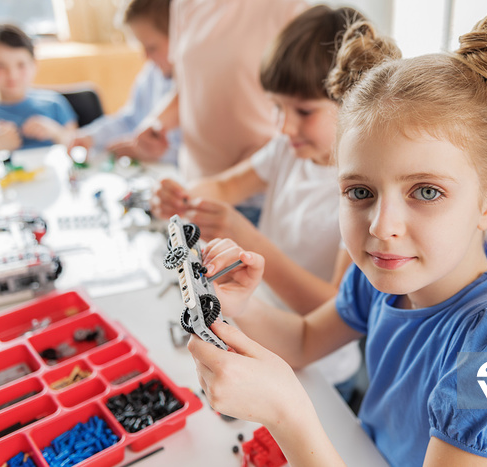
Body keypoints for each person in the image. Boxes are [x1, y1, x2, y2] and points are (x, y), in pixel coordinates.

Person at [188, 6, 487, 467]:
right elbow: (304, 340)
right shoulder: (385, 269)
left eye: (426, 191)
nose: (381, 227)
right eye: (359, 191)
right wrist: (237, 306)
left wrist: (287, 414)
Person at [153, 5, 363, 397]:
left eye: (303, 110)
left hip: (322, 371)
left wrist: (246, 236)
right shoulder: (286, 148)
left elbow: (336, 307)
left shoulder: (362, 191)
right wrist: (178, 194)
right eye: (277, 107)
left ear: (356, 100)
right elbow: (224, 187)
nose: (284, 126)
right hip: (261, 337)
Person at [136, 0, 305, 222]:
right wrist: (157, 123)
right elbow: (188, 86)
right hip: (196, 189)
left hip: (255, 194)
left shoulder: (288, 7)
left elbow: (304, 101)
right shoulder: (184, 4)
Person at [69, 0, 181, 164]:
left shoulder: (202, 86)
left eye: (151, 47)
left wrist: (150, 153)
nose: (145, 57)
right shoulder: (152, 74)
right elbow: (130, 119)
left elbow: (205, 156)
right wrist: (90, 136)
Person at [0, 23, 77, 151]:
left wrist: (57, 133)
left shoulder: (54, 104)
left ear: (34, 64)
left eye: (21, 65)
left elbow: (78, 149)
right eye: (0, 66)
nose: (12, 75)